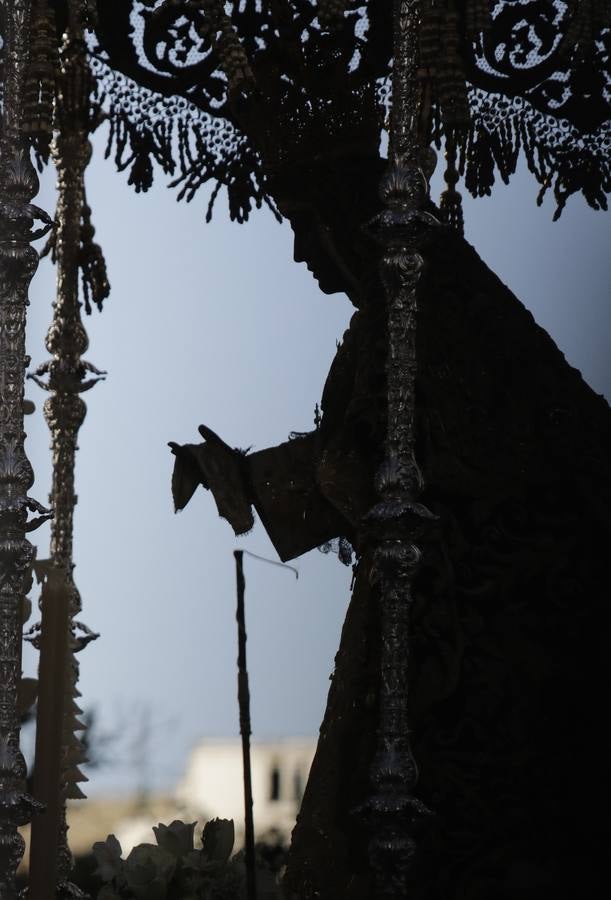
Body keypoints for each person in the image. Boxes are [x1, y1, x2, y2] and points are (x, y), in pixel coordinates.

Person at [170, 148, 611, 897]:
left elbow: (400, 464)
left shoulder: (433, 319)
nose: (301, 253)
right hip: (415, 630)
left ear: (356, 229)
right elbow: (350, 453)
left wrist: (277, 478)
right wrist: (242, 477)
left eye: (308, 230)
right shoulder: (379, 328)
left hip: (475, 641)